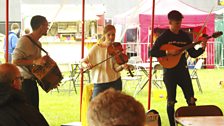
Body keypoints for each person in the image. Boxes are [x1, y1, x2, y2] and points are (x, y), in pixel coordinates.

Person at [150, 10, 208, 126]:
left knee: (191, 99)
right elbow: (152, 52)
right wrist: (167, 52)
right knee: (171, 101)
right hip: (170, 72)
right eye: (176, 23)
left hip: (183, 71)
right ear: (170, 22)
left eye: (180, 23)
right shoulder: (164, 36)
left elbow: (192, 53)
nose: (179, 26)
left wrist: (203, 46)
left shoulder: (184, 36)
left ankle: (193, 122)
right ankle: (172, 124)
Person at [81, 24, 132, 98]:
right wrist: (87, 65)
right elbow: (83, 62)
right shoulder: (96, 48)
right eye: (109, 35)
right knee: (97, 107)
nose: (111, 37)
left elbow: (116, 69)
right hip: (100, 83)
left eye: (113, 35)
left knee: (116, 107)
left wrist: (122, 66)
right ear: (104, 35)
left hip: (115, 82)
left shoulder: (116, 48)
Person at [12, 15, 49, 110]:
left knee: (34, 111)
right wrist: (35, 61)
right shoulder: (24, 40)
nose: (48, 27)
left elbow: (37, 66)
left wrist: (49, 79)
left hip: (32, 82)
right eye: (46, 25)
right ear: (41, 26)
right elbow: (15, 61)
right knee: (27, 112)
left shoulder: (38, 43)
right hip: (23, 82)